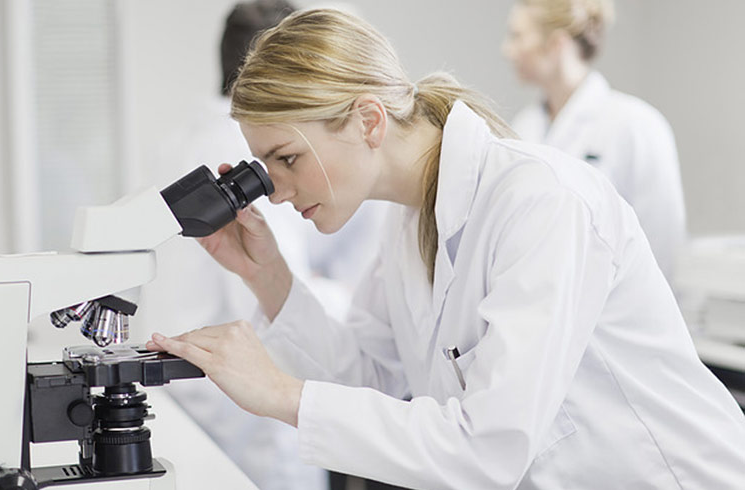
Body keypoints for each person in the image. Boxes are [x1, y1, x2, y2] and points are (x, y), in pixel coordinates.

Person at [147, 8, 745, 489]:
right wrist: (268, 276)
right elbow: (372, 376)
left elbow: (486, 449)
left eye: (288, 158)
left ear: (369, 121)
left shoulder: (540, 202)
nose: (274, 190)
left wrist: (280, 395)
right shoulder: (410, 221)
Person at [135, 2, 384, 489]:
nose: (279, 188)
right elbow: (260, 307)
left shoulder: (182, 139)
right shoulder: (246, 143)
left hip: (195, 408)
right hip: (249, 433)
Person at [502, 0, 687, 281]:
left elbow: (663, 244)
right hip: (540, 307)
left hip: (615, 317)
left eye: (517, 36)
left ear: (555, 45)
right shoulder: (522, 128)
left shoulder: (637, 125)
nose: (507, 50)